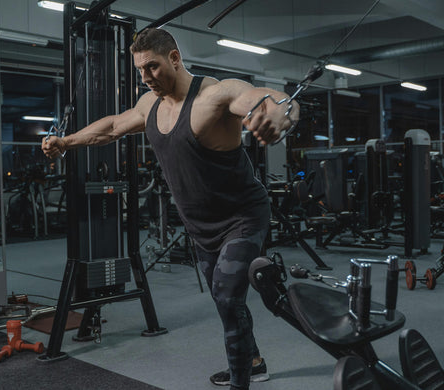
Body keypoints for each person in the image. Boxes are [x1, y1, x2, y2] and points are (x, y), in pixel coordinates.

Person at [42, 28, 299, 390]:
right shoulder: (150, 105)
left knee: (227, 295)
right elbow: (113, 127)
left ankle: (242, 380)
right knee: (225, 300)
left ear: (175, 59)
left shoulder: (213, 95)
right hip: (200, 225)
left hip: (243, 216)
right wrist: (65, 142)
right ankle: (254, 360)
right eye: (141, 71)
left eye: (153, 67)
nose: (146, 78)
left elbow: (265, 97)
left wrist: (281, 113)